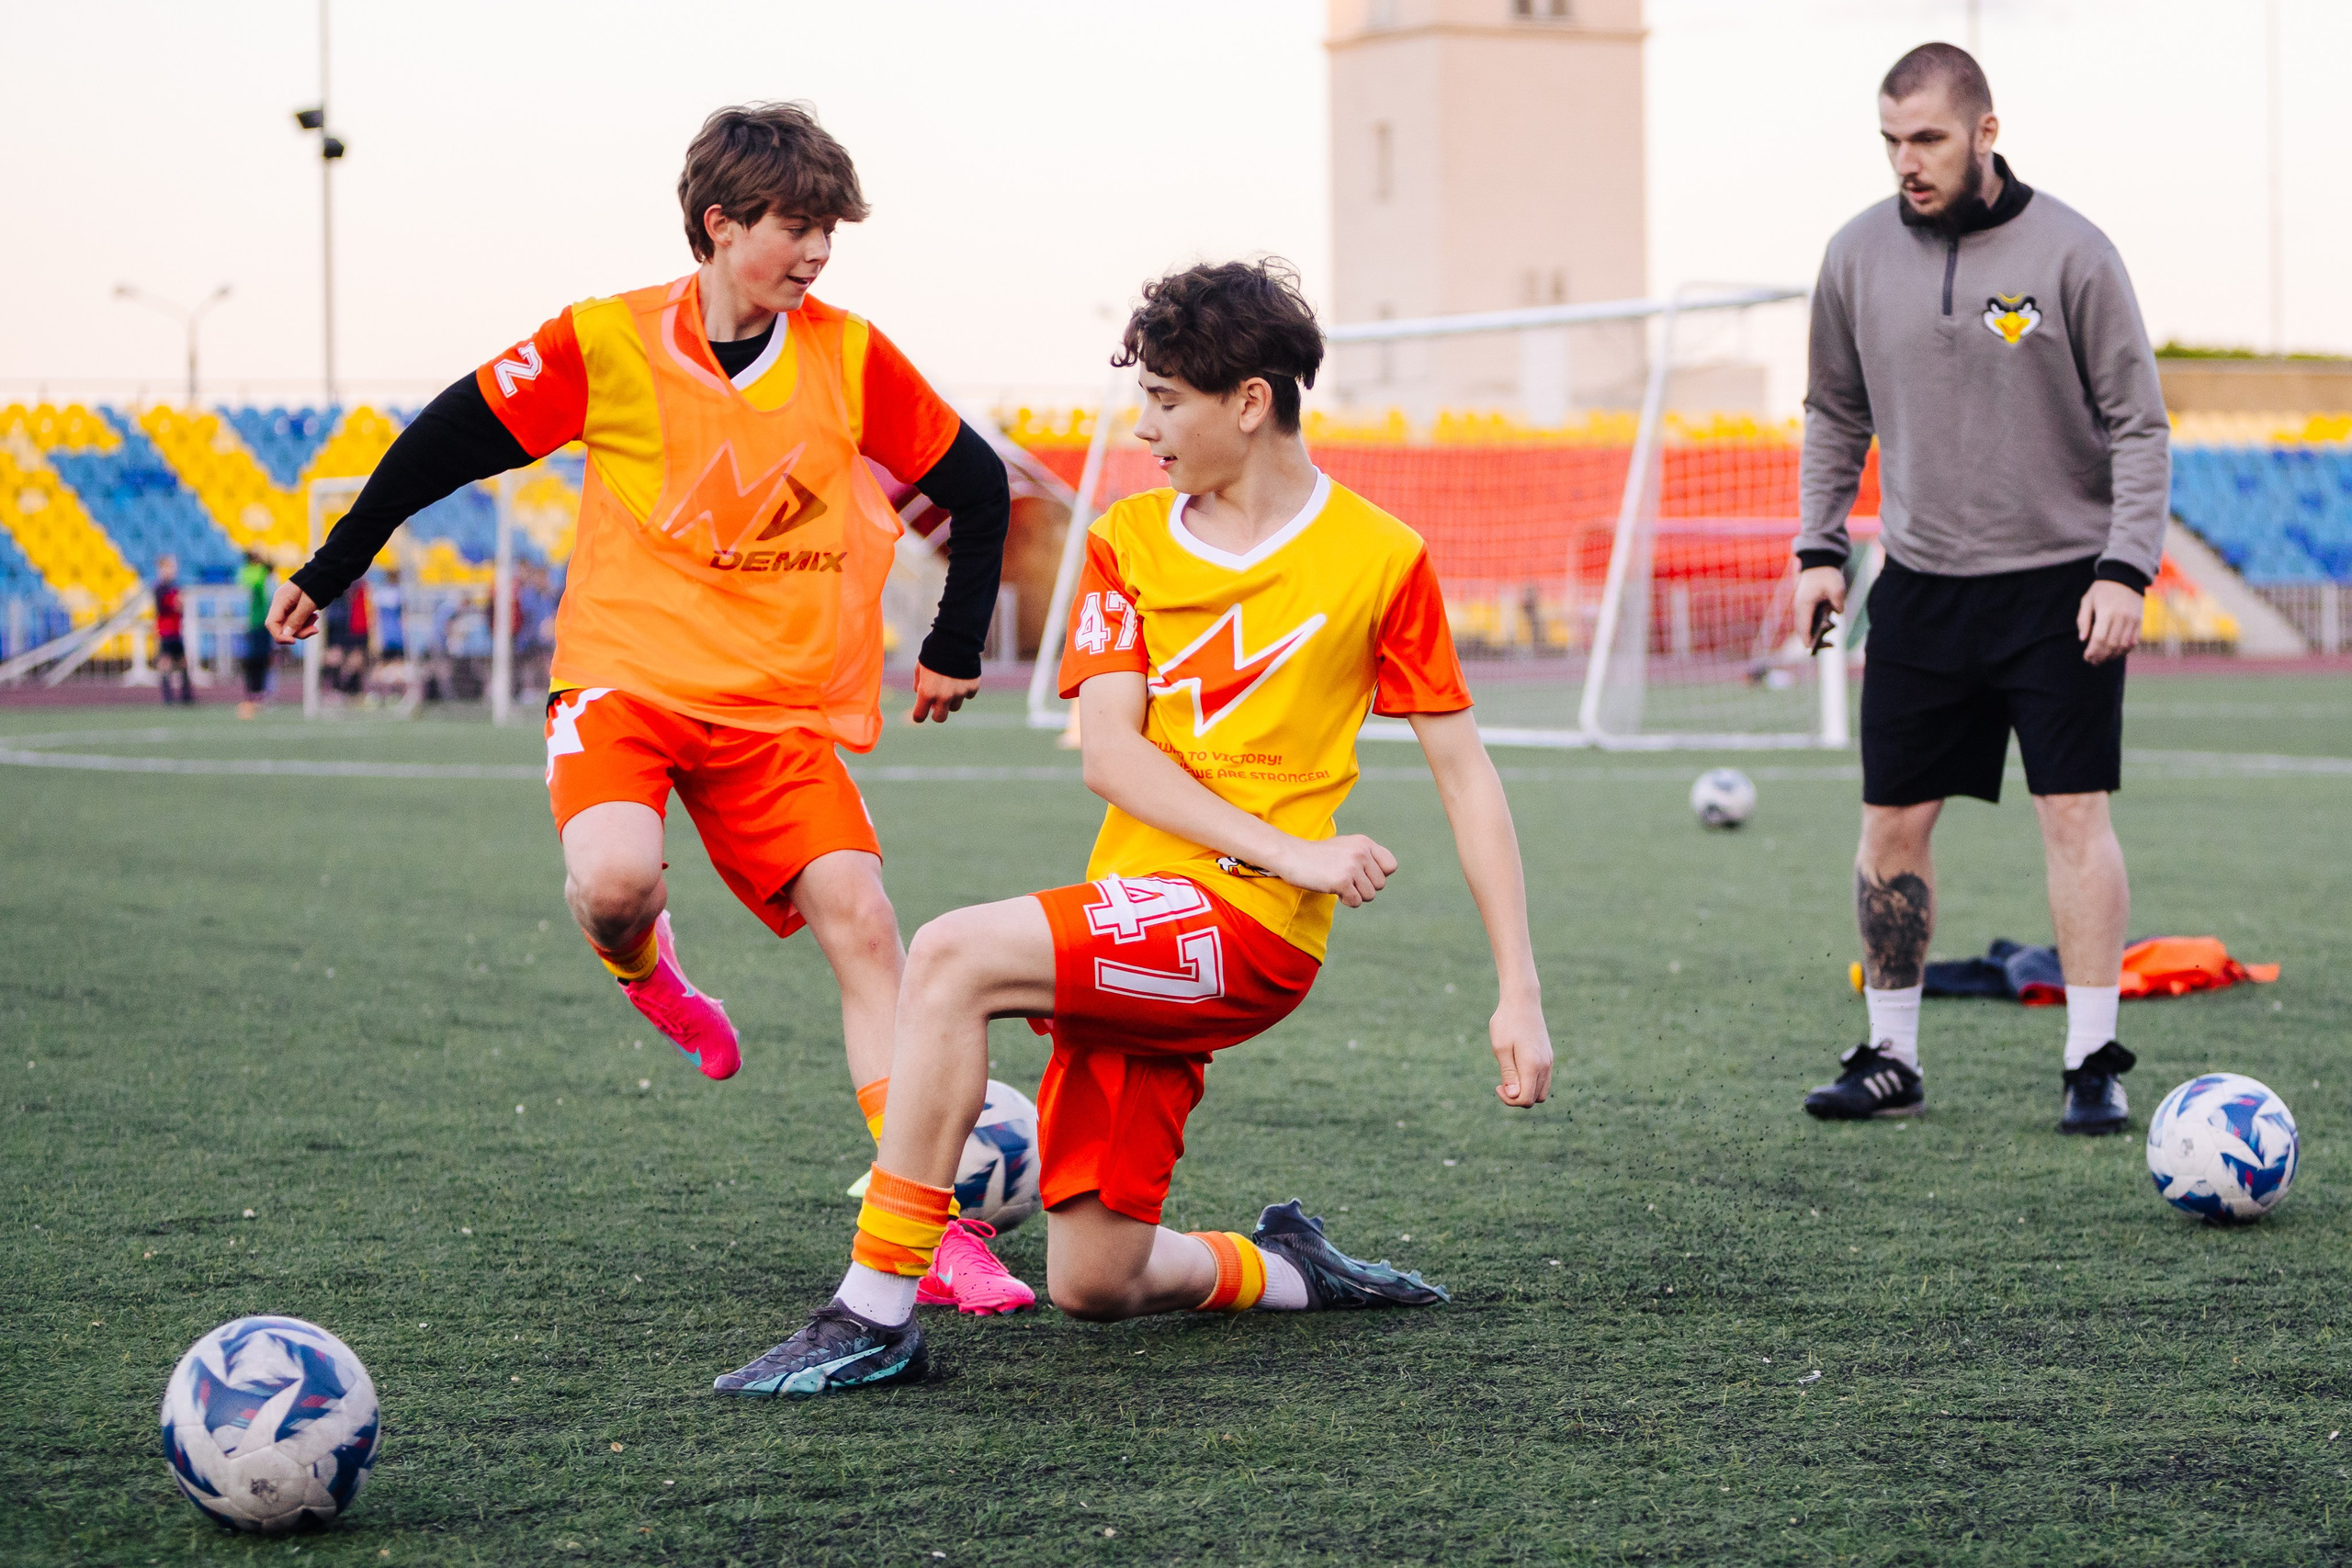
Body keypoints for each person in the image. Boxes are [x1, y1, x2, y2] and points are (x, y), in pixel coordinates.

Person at [715, 260, 1555, 1399]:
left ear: (1249, 403)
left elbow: (1466, 777)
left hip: (1252, 931)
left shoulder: (1382, 559)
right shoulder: (1125, 541)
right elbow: (1111, 755)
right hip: (1142, 914)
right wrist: (1296, 845)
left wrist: (1518, 991)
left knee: (953, 955)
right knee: (1095, 1282)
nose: (1144, 427)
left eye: (1166, 400)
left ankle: (870, 1314)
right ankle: (1293, 1269)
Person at [266, 103, 1024, 1308]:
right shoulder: (606, 343)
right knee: (617, 882)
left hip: (775, 708)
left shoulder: (854, 357)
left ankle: (920, 1225)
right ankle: (645, 965)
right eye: (797, 226)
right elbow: (445, 443)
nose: (820, 252)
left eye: (832, 228)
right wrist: (334, 561)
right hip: (623, 679)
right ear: (721, 226)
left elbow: (980, 489)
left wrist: (953, 640)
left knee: (866, 919)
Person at [1790, 43, 2168, 1134]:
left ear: (1984, 133)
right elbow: (1831, 411)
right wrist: (1820, 546)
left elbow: (2140, 426)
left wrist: (2124, 568)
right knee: (1890, 826)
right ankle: (1891, 1055)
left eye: (1929, 140)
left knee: (2072, 818)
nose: (1907, 163)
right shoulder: (1854, 255)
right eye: (1892, 141)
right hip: (1920, 586)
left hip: (2061, 587)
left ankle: (2091, 1057)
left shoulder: (2073, 254)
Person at [236, 550, 275, 719]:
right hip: (256, 622)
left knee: (257, 660)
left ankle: (256, 694)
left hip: (256, 623)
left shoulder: (246, 573)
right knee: (256, 660)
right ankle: (255, 695)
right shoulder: (255, 573)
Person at [151, 554, 194, 705]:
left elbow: (180, 609)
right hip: (166, 631)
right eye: (169, 567)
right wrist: (177, 603)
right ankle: (168, 696)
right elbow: (162, 608)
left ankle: (186, 696)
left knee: (182, 662)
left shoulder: (175, 587)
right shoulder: (160, 588)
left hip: (176, 631)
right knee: (166, 662)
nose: (172, 570)